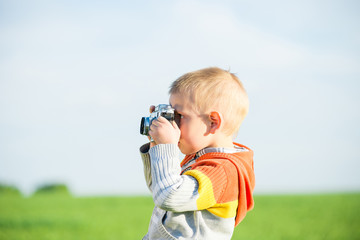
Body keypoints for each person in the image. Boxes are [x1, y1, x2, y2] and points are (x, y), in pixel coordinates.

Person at [139, 67, 255, 240]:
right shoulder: (203, 159)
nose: (173, 124)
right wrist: (156, 145)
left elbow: (169, 196)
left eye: (178, 116)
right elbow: (160, 189)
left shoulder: (222, 171)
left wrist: (165, 147)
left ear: (213, 122)